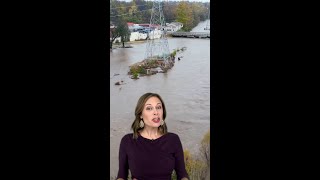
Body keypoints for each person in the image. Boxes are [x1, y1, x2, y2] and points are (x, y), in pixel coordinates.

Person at [116, 92, 189, 180]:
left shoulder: (173, 139)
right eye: (149, 108)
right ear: (140, 115)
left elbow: (182, 174)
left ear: (163, 111)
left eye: (158, 107)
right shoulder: (128, 141)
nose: (156, 112)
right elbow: (121, 176)